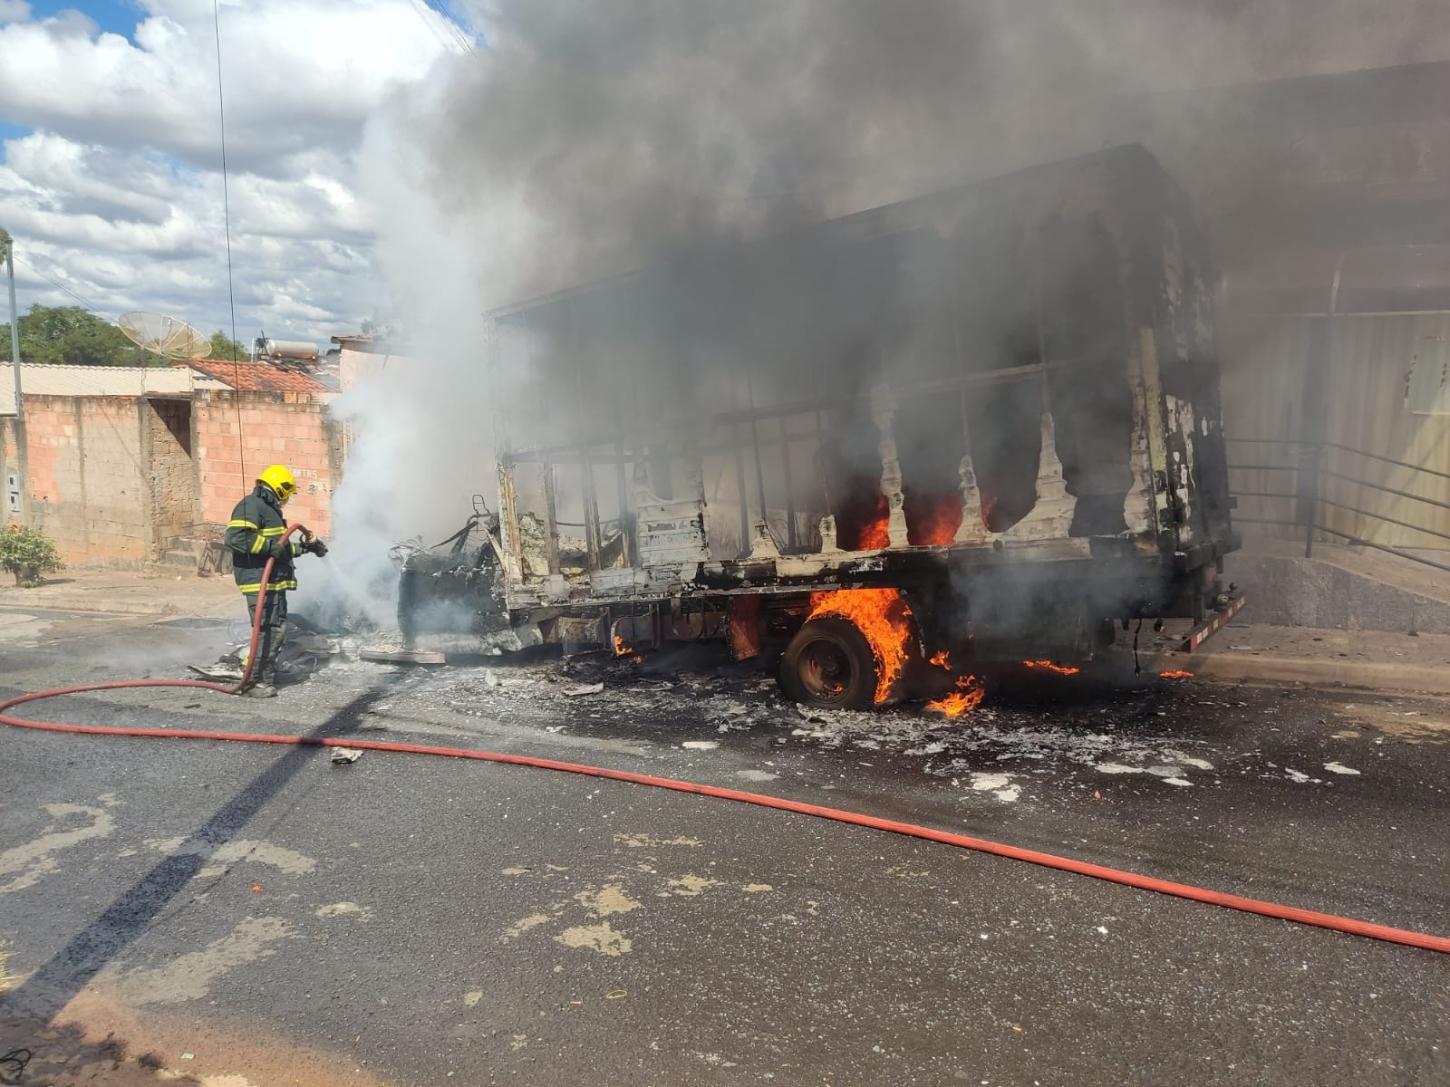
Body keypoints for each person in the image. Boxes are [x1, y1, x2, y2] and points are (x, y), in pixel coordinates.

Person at [224, 464, 327, 697]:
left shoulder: (268, 510)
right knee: (269, 631)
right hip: (258, 581)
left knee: (275, 630)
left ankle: (261, 675)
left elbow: (279, 549)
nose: (287, 500)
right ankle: (256, 682)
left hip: (271, 582)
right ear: (280, 488)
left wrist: (306, 548)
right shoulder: (251, 505)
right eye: (287, 494)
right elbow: (235, 538)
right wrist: (273, 546)